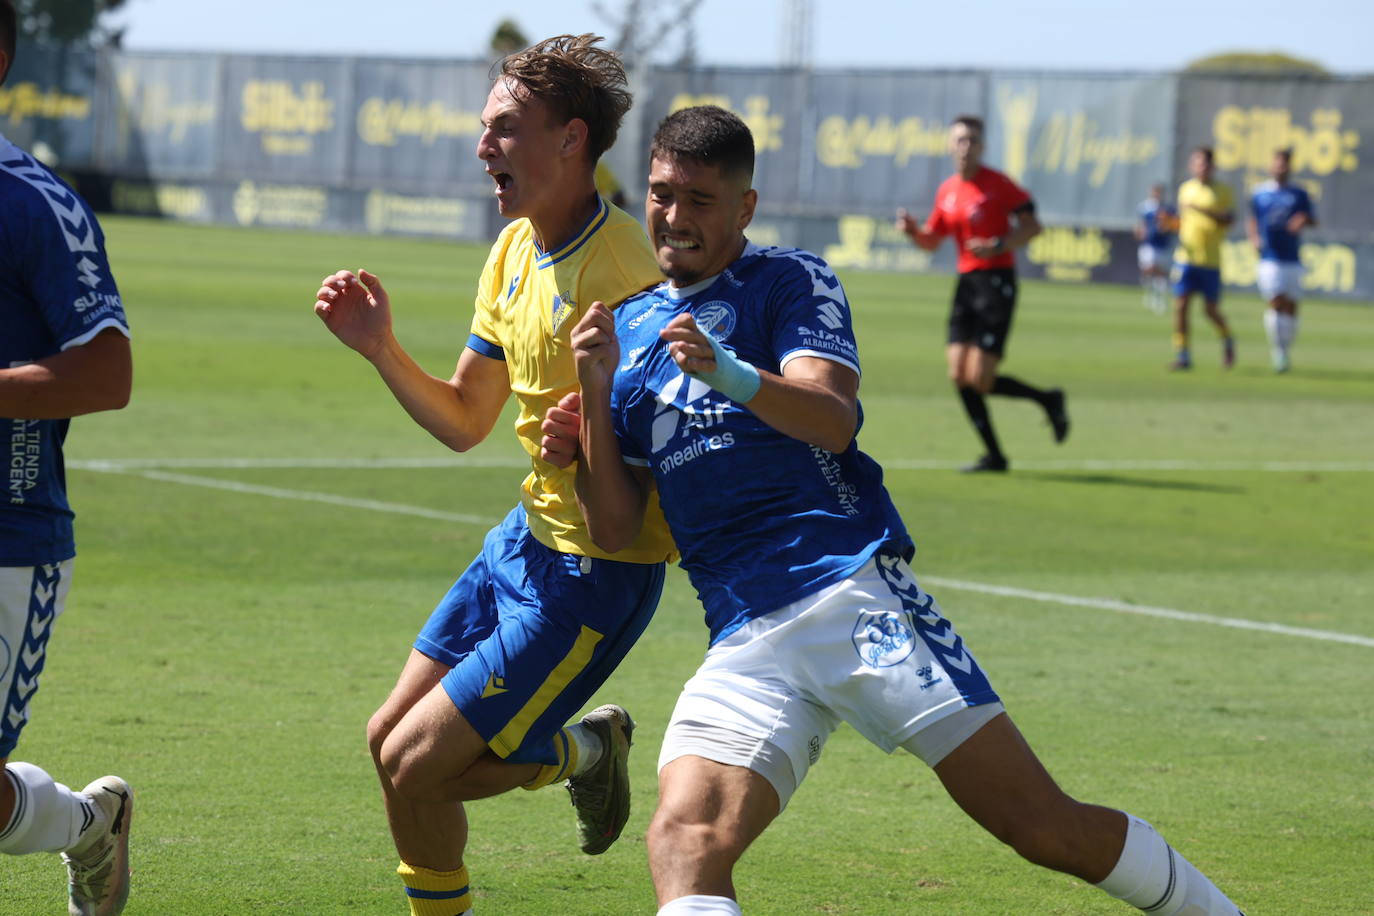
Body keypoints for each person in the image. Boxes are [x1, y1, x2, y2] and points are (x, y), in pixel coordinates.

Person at [545, 105, 1247, 916]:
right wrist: (595, 399)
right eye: (664, 194)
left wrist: (729, 373)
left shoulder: (789, 280)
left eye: (701, 200)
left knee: (1042, 827)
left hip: (847, 593)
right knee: (682, 839)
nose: (675, 217)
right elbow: (615, 528)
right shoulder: (625, 328)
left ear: (745, 208)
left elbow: (832, 414)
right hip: (742, 630)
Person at [313, 34, 675, 915]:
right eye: (486, 129)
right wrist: (380, 349)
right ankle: (585, 752)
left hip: (595, 575)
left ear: (572, 141)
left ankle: (584, 753)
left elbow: (671, 439)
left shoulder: (630, 268)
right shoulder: (514, 250)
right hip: (523, 542)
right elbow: (467, 420)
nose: (484, 149)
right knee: (385, 742)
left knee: (415, 765)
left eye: (506, 130)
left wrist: (594, 428)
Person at [0, 3, 136, 913]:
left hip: (8, 537)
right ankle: (87, 823)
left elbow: (108, 371)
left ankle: (88, 825)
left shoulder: (32, 203)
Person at [895, 115, 1067, 474]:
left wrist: (999, 244)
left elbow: (1033, 226)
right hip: (966, 284)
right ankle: (995, 456)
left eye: (972, 140)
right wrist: (913, 232)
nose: (965, 146)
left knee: (982, 379)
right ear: (950, 144)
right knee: (958, 373)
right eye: (959, 139)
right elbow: (931, 242)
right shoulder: (948, 190)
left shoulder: (998, 185)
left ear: (983, 147)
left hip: (996, 282)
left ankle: (1048, 400)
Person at [1247, 148, 1316, 373]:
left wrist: (1303, 219)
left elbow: (1312, 220)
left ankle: (1285, 348)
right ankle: (1278, 352)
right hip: (1270, 258)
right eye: (1277, 163)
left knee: (1291, 307)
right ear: (1271, 165)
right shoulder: (1260, 193)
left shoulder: (1298, 194)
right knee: (1275, 301)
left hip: (1292, 258)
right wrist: (1254, 238)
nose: (1280, 167)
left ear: (1289, 167)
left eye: (1285, 164)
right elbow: (1253, 220)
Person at [1170, 146, 1237, 371]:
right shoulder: (1186, 189)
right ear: (1192, 165)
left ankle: (1227, 338)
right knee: (1181, 305)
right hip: (1185, 258)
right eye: (1197, 162)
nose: (1201, 167)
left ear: (1212, 166)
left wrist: (1201, 210)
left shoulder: (1222, 191)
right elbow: (1183, 222)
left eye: (1205, 163)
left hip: (1210, 260)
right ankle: (1183, 354)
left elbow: (1228, 219)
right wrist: (1169, 225)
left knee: (1210, 310)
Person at [1135, 182, 1177, 313]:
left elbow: (1173, 224)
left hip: (1163, 244)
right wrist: (1140, 231)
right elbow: (1140, 224)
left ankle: (1159, 299)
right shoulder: (1145, 207)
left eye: (1159, 192)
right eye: (1154, 191)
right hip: (1149, 244)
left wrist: (1167, 227)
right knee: (1148, 269)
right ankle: (1149, 293)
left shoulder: (1168, 208)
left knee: (1161, 273)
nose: (1156, 194)